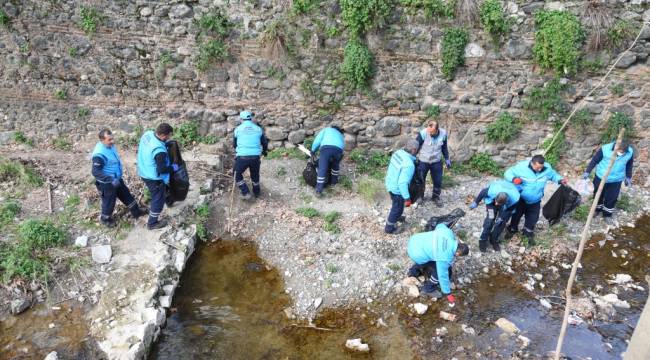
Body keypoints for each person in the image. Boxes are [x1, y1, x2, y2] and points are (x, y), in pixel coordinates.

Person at [504, 155, 567, 245]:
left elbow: (553, 175)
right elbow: (507, 173)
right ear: (532, 163)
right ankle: (512, 230)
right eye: (537, 168)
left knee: (533, 218)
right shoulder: (521, 167)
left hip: (536, 200)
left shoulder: (547, 168)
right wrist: (514, 179)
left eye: (541, 168)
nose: (539, 170)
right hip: (522, 198)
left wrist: (560, 180)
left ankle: (527, 233)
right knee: (516, 215)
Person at [91, 128, 147, 227]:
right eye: (109, 140)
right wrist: (110, 179)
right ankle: (105, 219)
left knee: (126, 195)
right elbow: (95, 171)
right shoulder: (99, 154)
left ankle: (136, 212)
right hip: (107, 184)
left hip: (116, 179)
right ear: (102, 140)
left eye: (112, 138)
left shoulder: (109, 146)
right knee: (109, 202)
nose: (112, 141)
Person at [407, 224, 470, 305]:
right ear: (458, 253)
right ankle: (428, 288)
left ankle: (413, 272)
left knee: (429, 254)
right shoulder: (446, 257)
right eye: (459, 256)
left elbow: (440, 225)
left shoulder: (448, 233)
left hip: (414, 240)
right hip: (415, 254)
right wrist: (448, 293)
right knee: (438, 271)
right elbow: (442, 275)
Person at [582, 139, 634, 222]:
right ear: (615, 148)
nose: (622, 153)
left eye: (624, 152)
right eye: (620, 151)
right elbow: (594, 160)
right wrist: (587, 171)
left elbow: (629, 164)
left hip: (616, 179)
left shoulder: (629, 152)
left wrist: (628, 177)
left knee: (612, 197)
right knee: (598, 194)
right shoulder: (605, 149)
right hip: (601, 176)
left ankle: (607, 214)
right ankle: (597, 209)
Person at [137, 123, 177, 230]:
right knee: (158, 199)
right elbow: (162, 169)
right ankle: (152, 223)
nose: (169, 137)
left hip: (143, 169)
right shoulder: (159, 151)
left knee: (164, 189)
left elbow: (150, 146)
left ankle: (169, 201)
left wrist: (165, 144)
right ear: (163, 135)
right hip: (153, 177)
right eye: (168, 135)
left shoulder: (148, 134)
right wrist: (173, 167)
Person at [470, 180, 520, 252]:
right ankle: (482, 240)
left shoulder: (515, 199)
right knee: (490, 219)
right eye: (496, 202)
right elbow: (482, 192)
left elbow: (509, 210)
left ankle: (494, 239)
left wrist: (501, 218)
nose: (496, 204)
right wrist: (476, 202)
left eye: (498, 203)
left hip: (506, 207)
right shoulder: (492, 191)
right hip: (491, 202)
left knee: (501, 223)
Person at [384, 139, 420, 234]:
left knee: (397, 205)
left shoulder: (398, 153)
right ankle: (389, 228)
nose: (417, 151)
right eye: (417, 150)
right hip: (397, 190)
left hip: (390, 183)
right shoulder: (409, 165)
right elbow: (402, 183)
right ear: (413, 150)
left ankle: (398, 217)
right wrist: (407, 198)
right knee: (397, 208)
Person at [233, 111, 268, 200]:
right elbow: (264, 143)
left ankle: (245, 192)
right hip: (255, 157)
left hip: (242, 157)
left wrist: (238, 151)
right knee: (255, 175)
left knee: (236, 174)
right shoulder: (258, 129)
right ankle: (256, 193)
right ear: (250, 119)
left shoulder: (238, 129)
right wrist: (264, 152)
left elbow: (234, 144)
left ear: (241, 119)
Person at [415, 121, 451, 207]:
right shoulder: (423, 133)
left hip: (436, 161)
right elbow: (415, 146)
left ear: (437, 130)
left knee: (438, 180)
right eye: (428, 131)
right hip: (423, 160)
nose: (429, 133)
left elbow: (444, 147)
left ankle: (436, 197)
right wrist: (413, 158)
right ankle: (420, 196)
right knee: (421, 179)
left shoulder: (443, 134)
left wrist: (447, 158)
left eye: (431, 132)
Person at [311, 126, 345, 196]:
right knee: (335, 166)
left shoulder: (327, 129)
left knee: (322, 168)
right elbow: (342, 145)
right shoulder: (340, 134)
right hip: (339, 149)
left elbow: (317, 140)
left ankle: (319, 190)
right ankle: (334, 182)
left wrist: (313, 150)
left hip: (326, 148)